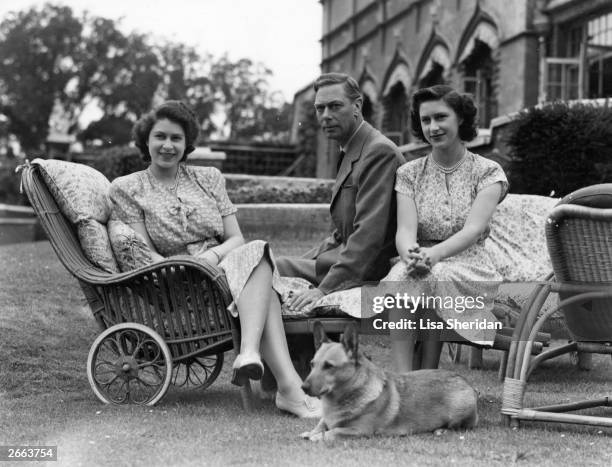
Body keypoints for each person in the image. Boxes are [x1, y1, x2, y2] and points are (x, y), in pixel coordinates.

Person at [108, 100, 321, 418]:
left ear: (187, 143)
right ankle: (285, 386)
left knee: (256, 252)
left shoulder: (208, 178)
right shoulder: (128, 188)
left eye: (176, 138)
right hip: (179, 279)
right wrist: (193, 265)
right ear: (146, 141)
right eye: (160, 137)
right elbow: (147, 252)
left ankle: (259, 361)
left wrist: (211, 255)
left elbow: (236, 238)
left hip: (224, 263)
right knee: (264, 279)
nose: (168, 145)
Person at [385, 85, 508, 371]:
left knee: (433, 273)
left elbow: (474, 230)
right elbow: (405, 230)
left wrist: (433, 256)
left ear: (460, 119)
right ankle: (404, 379)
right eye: (425, 120)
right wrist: (410, 255)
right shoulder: (409, 173)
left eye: (441, 117)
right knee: (407, 274)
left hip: (471, 264)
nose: (433, 127)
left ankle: (428, 373)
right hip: (422, 260)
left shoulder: (488, 172)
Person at [276, 73, 404, 311]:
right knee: (274, 268)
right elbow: (340, 233)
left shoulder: (378, 153)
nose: (326, 116)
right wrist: (308, 259)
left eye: (335, 106)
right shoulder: (353, 148)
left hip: (370, 270)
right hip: (345, 260)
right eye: (320, 108)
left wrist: (325, 289)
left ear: (357, 106)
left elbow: (368, 237)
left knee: (273, 278)